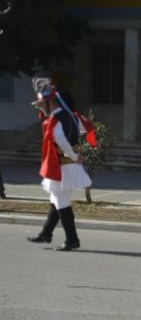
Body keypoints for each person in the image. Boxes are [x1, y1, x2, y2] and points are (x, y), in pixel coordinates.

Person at [26, 78, 92, 251]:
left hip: (62, 166)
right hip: (70, 166)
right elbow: (84, 129)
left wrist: (73, 154)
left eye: (41, 105)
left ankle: (72, 240)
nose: (39, 108)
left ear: (50, 103)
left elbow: (61, 141)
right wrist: (76, 153)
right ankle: (46, 233)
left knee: (61, 202)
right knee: (56, 199)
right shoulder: (70, 115)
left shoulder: (54, 121)